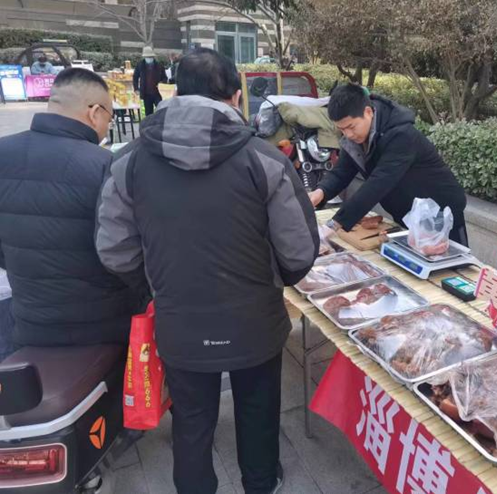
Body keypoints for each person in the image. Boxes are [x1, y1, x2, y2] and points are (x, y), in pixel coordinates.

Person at [95, 48, 319, 494]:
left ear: (176, 92)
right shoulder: (265, 160)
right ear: (235, 96)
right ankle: (260, 483)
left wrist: (155, 285)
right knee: (258, 411)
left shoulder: (129, 161)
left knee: (192, 421)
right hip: (255, 321)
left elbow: (114, 250)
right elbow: (298, 253)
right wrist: (270, 280)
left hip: (180, 322)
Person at [0, 68, 147, 360]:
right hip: (108, 321)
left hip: (29, 320)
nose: (107, 125)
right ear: (94, 112)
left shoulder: (3, 152)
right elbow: (124, 251)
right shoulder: (106, 165)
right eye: (109, 117)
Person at [307, 83, 469, 244]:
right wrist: (320, 192)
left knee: (447, 257)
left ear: (368, 112)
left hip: (441, 212)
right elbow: (341, 172)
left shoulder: (401, 135)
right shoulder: (357, 137)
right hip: (407, 212)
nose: (348, 134)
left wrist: (335, 223)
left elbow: (378, 183)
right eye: (342, 129)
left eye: (351, 127)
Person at [133, 46, 167, 116]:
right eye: (147, 57)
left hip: (157, 93)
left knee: (160, 111)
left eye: (150, 57)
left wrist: (162, 83)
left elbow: (164, 78)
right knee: (148, 113)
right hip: (146, 94)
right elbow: (135, 77)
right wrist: (136, 88)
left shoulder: (159, 66)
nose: (149, 58)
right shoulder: (140, 65)